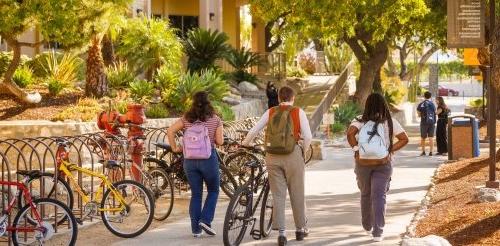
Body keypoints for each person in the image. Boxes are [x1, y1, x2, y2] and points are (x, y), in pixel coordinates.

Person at [243, 86, 312, 246]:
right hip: (293, 154)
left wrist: (245, 143)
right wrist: (302, 150)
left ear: (279, 98)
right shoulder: (298, 112)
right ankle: (300, 229)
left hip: (272, 156)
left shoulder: (271, 111)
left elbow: (254, 130)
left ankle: (281, 234)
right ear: (293, 98)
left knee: (278, 195)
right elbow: (308, 136)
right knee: (297, 192)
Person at [346, 93, 409, 242]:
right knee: (379, 195)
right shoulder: (390, 121)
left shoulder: (359, 120)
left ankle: (367, 225)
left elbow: (350, 134)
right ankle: (378, 232)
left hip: (362, 163)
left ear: (367, 105)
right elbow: (404, 139)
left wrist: (356, 150)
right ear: (383, 105)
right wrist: (389, 150)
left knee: (365, 194)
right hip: (383, 163)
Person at [167, 91, 223, 237]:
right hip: (208, 159)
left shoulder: (186, 118)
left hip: (190, 161)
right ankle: (205, 219)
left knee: (196, 194)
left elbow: (170, 130)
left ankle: (195, 230)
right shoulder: (215, 119)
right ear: (208, 102)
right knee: (213, 190)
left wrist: (175, 148)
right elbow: (220, 141)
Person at [417, 91, 436, 156]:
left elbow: (419, 114)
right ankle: (431, 152)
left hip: (424, 122)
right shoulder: (432, 104)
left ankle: (423, 152)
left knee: (423, 138)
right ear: (430, 96)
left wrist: (421, 115)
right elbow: (435, 112)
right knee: (431, 137)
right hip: (431, 122)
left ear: (424, 96)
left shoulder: (421, 104)